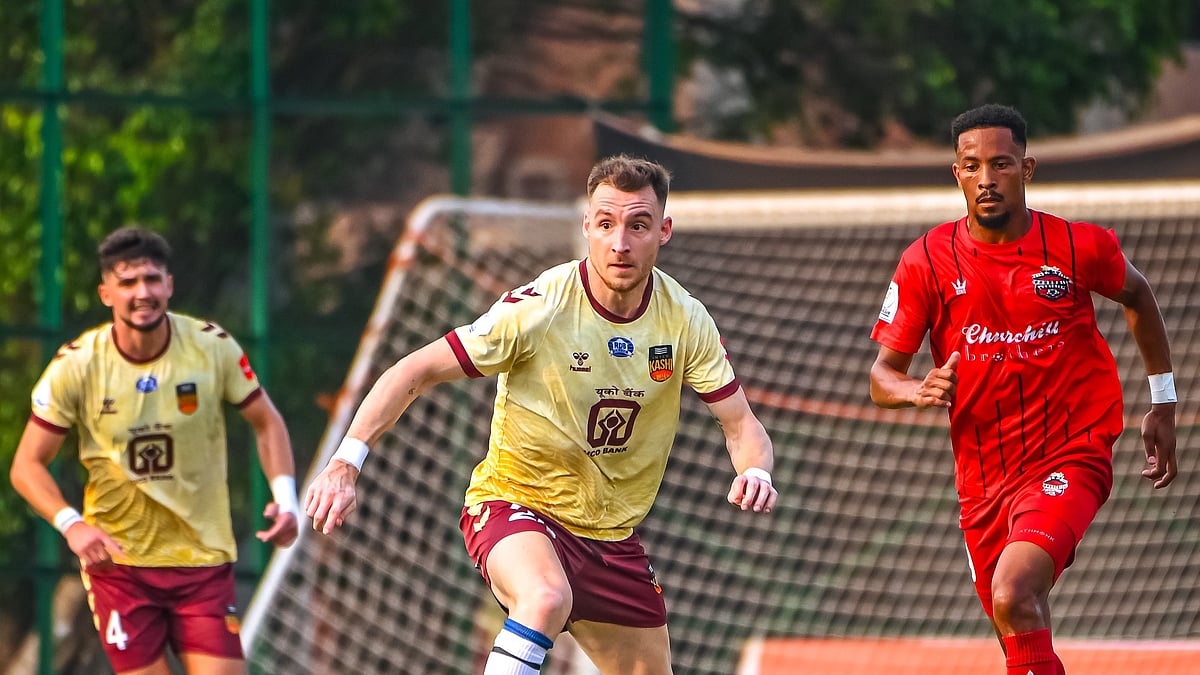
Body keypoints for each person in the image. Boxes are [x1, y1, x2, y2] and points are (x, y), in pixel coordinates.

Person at [305, 154, 778, 674]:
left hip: (611, 539)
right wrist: (345, 463)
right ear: (587, 228)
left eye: (637, 225)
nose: (619, 242)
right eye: (606, 224)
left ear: (663, 231)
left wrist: (754, 469)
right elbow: (412, 371)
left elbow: (741, 426)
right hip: (515, 505)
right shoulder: (540, 308)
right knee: (546, 595)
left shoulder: (686, 320)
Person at [869, 103, 1178, 675]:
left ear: (1027, 169)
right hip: (982, 478)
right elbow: (881, 376)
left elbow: (1138, 295)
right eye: (972, 166)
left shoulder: (1077, 247)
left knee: (1014, 593)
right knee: (1016, 624)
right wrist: (915, 390)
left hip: (1072, 452)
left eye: (1001, 164)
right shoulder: (925, 262)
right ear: (955, 173)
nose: (987, 179)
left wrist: (1163, 399)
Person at [9, 227, 300, 675]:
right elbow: (26, 465)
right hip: (120, 566)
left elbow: (267, 422)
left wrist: (286, 500)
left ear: (169, 285)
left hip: (201, 561)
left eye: (151, 279)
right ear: (106, 292)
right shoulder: (78, 364)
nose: (142, 293)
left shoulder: (210, 347)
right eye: (128, 283)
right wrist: (72, 527)